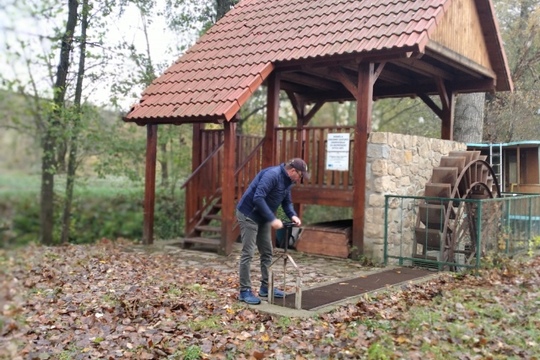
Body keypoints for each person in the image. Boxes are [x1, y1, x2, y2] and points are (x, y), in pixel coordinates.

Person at [236, 158, 310, 305]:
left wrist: (292, 215)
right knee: (248, 253)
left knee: (267, 252)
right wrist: (272, 219)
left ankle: (265, 288)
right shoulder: (272, 175)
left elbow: (286, 202)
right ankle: (244, 292)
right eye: (300, 175)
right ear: (293, 171)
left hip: (263, 217)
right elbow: (258, 198)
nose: (300, 179)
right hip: (249, 214)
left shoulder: (288, 182)